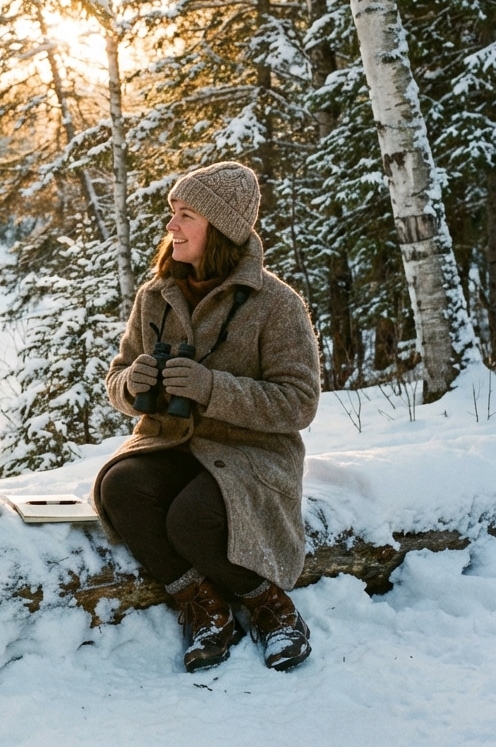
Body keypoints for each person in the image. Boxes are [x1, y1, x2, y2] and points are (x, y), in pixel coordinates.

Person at [92, 161, 321, 673]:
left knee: (191, 520)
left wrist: (211, 389)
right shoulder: (155, 296)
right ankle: (204, 606)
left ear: (218, 229)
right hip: (171, 444)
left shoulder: (277, 305)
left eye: (185, 215)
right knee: (120, 487)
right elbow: (116, 378)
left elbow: (299, 402)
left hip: (250, 456)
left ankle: (271, 608)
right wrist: (133, 385)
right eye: (172, 213)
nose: (171, 226)